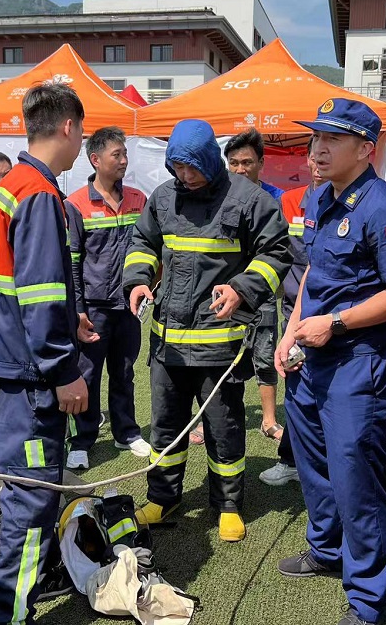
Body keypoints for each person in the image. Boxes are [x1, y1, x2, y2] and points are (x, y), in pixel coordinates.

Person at [275, 98, 386, 625]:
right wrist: (291, 330)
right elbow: (314, 275)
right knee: (314, 466)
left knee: (357, 476)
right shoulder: (319, 198)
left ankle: (366, 597)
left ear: (365, 149)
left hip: (357, 361)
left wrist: (334, 324)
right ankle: (327, 550)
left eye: (332, 139)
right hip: (309, 356)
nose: (318, 148)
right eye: (316, 137)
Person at [124, 118, 290, 543]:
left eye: (192, 166)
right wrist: (139, 279)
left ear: (210, 160)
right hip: (167, 344)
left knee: (224, 428)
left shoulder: (249, 199)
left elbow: (276, 251)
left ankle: (228, 504)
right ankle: (162, 498)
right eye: (177, 167)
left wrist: (242, 288)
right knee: (165, 426)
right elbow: (142, 243)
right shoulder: (163, 198)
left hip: (220, 344)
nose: (185, 175)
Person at [0, 83, 91, 624]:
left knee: (30, 490)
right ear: (68, 126)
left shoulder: (11, 186)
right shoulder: (40, 193)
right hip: (29, 379)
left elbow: (26, 285)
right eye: (82, 132)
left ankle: (23, 587)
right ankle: (7, 611)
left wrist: (70, 318)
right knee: (30, 499)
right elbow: (42, 293)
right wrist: (64, 370)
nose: (81, 143)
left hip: (11, 367)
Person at [65, 126, 150, 469]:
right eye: (117, 155)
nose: (124, 161)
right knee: (87, 376)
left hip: (129, 306)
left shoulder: (138, 199)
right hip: (94, 310)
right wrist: (78, 310)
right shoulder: (76, 204)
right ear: (95, 159)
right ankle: (81, 440)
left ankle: (126, 432)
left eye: (125, 154)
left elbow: (148, 248)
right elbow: (72, 262)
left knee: (124, 372)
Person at [259, 138, 326, 487]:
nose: (318, 162)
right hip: (295, 315)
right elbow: (278, 253)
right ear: (307, 159)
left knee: (330, 397)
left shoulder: (349, 204)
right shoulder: (288, 201)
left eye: (325, 154)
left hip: (334, 319)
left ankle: (326, 466)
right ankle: (290, 460)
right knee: (298, 393)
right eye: (314, 155)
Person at [224, 127, 285, 444]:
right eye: (233, 163)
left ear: (261, 163)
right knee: (220, 357)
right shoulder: (218, 197)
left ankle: (269, 420)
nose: (240, 169)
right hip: (224, 293)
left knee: (265, 355)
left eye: (247, 162)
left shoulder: (277, 199)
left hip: (262, 294)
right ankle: (212, 419)